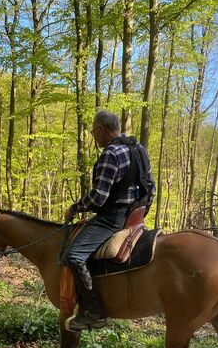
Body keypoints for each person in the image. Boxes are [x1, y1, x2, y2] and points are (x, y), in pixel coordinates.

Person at [64, 110, 155, 331]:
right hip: (136, 216)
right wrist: (141, 213)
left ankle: (94, 312)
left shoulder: (111, 154)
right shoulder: (139, 148)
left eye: (95, 133)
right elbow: (150, 187)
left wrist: (75, 208)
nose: (95, 138)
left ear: (101, 129)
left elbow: (98, 198)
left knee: (74, 256)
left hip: (113, 218)